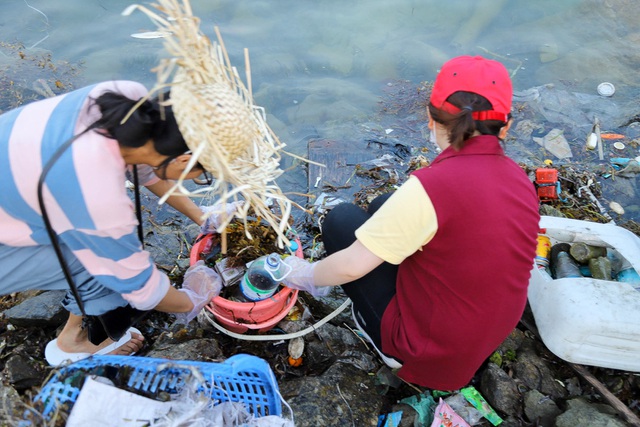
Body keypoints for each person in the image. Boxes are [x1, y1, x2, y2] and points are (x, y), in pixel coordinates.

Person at [281, 56, 540, 390]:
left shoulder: (431, 187)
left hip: (425, 355)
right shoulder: (520, 180)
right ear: (506, 126)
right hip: (482, 340)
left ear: (430, 118)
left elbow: (349, 267)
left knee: (342, 220)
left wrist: (300, 274)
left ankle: (384, 344)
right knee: (382, 205)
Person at [0, 80, 232, 366]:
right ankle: (71, 344)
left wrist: (202, 217)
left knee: (108, 247)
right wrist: (193, 299)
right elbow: (143, 289)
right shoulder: (96, 195)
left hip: (19, 184)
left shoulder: (128, 96)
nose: (199, 179)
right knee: (101, 264)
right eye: (202, 175)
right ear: (184, 160)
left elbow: (147, 168)